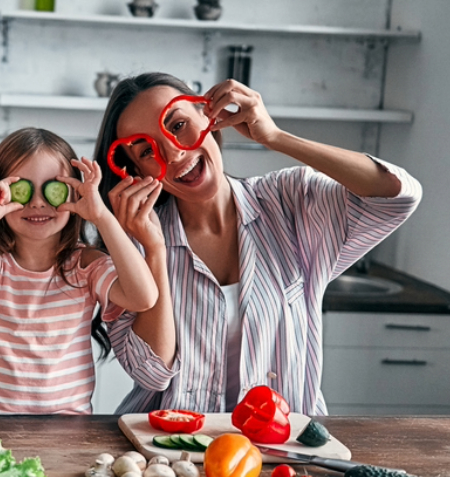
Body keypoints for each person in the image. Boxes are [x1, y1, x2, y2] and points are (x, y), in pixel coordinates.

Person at [93, 73, 422, 416]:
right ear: (135, 170)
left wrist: (276, 137)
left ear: (209, 114)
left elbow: (397, 196)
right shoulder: (131, 246)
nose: (173, 153)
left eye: (177, 125)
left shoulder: (289, 201)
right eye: (147, 150)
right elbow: (152, 374)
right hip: (168, 451)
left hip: (284, 445)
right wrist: (155, 252)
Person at [0, 127, 160, 414]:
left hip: (64, 431)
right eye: (22, 189)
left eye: (52, 189)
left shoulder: (84, 265)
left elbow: (143, 298)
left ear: (75, 193)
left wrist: (101, 216)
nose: (38, 202)